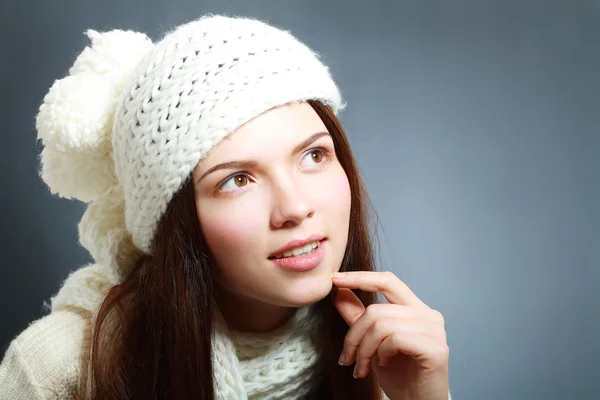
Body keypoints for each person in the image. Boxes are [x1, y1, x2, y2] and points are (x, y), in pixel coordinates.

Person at [0, 14, 451, 400]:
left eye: (314, 155)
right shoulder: (58, 368)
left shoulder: (383, 353)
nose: (294, 208)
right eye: (238, 180)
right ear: (175, 223)